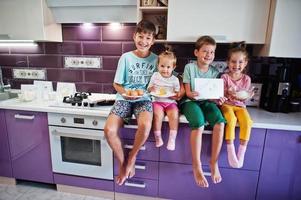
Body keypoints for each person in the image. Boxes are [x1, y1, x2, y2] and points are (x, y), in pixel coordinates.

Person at [104, 20, 157, 186]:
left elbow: (166, 79)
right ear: (134, 36)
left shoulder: (157, 60)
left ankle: (132, 158)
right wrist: (126, 94)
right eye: (140, 36)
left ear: (153, 41)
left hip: (145, 100)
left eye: (148, 38)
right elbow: (116, 84)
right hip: (124, 99)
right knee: (109, 130)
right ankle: (122, 162)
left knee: (145, 125)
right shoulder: (126, 57)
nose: (143, 41)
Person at [180, 35, 226, 188]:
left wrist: (218, 100)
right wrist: (191, 93)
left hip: (206, 102)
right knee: (199, 124)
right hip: (190, 102)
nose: (208, 55)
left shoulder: (214, 72)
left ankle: (214, 162)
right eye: (205, 51)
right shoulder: (189, 68)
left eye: (212, 52)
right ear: (196, 53)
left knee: (220, 122)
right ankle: (197, 165)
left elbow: (213, 95)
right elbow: (187, 91)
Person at [221, 42, 254, 168]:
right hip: (227, 105)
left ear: (245, 63)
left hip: (240, 106)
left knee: (247, 121)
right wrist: (226, 92)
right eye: (233, 62)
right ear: (228, 63)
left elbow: (244, 96)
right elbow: (220, 95)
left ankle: (241, 153)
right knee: (231, 119)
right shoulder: (224, 77)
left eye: (240, 62)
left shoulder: (246, 79)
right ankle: (231, 151)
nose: (236, 65)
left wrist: (247, 96)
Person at [147, 50, 180, 151]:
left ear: (173, 67)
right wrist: (150, 89)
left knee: (174, 115)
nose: (165, 69)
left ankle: (172, 139)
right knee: (157, 115)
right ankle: (158, 137)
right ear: (158, 65)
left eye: (168, 67)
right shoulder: (155, 76)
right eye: (162, 66)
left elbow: (177, 93)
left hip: (170, 102)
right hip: (157, 101)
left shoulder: (175, 79)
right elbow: (149, 88)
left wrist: (175, 94)